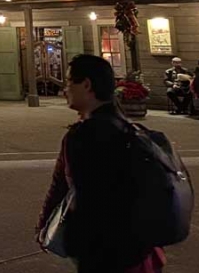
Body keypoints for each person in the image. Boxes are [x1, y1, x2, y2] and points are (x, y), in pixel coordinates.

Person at [37, 54, 166, 272]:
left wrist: (46, 226)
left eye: (69, 82)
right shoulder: (130, 130)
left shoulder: (83, 136)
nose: (64, 90)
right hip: (142, 249)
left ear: (87, 85)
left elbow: (70, 189)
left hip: (106, 252)